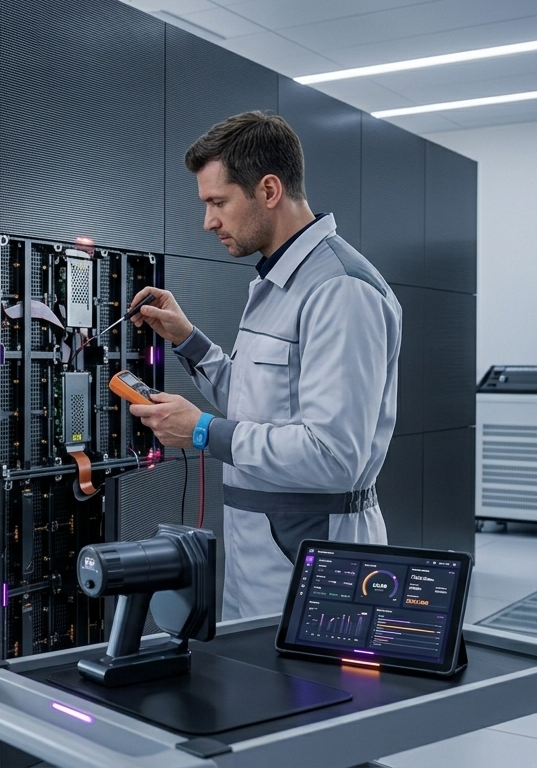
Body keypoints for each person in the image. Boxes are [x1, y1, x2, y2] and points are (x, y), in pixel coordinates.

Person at [128, 111, 402, 619]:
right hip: (260, 560)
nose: (208, 221)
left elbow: (333, 454)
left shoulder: (340, 290)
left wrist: (204, 432)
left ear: (269, 190)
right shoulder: (277, 283)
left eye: (217, 203)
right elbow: (261, 406)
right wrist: (189, 342)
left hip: (316, 562)